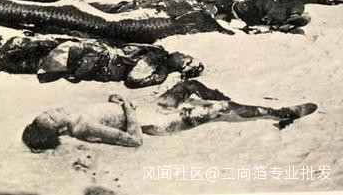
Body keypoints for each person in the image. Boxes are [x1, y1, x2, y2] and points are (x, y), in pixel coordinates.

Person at [22, 80, 317, 151]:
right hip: (159, 122)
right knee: (221, 109)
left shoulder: (77, 117)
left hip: (154, 108)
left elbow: (111, 112)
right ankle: (281, 113)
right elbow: (134, 139)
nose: (53, 110)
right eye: (51, 117)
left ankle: (237, 106)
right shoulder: (83, 127)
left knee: (189, 85)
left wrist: (116, 101)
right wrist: (127, 108)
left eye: (46, 111)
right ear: (59, 130)